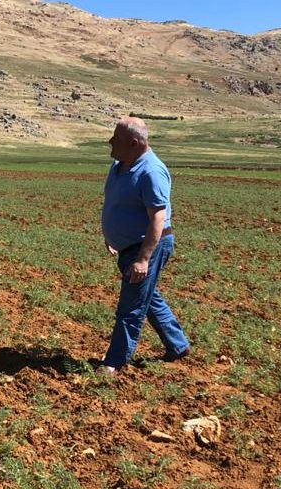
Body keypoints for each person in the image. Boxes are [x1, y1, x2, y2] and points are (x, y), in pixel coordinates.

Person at [99, 117, 190, 374]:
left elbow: (157, 219)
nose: (110, 141)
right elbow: (117, 204)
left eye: (116, 139)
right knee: (147, 297)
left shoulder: (151, 172)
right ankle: (178, 345)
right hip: (129, 246)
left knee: (131, 306)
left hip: (147, 246)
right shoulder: (119, 165)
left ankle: (115, 362)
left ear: (134, 143)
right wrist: (113, 235)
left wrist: (143, 259)